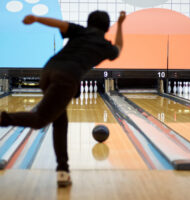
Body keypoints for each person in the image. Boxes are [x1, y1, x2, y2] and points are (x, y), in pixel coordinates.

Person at [0, 10, 126, 187]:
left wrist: (36, 19)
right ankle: (3, 118)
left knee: (60, 122)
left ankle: (63, 172)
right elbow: (119, 48)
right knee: (39, 120)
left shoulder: (80, 30)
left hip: (48, 71)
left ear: (89, 23)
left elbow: (58, 24)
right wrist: (120, 23)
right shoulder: (105, 45)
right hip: (67, 77)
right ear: (106, 27)